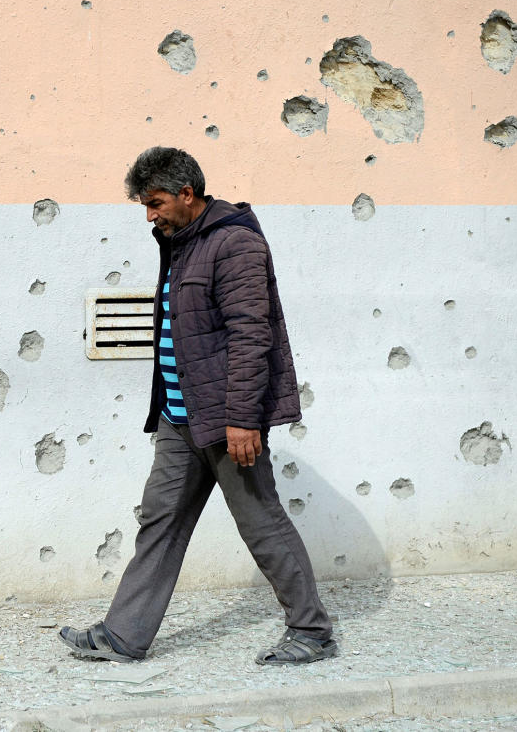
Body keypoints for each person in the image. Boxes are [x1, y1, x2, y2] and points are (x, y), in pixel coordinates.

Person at [59, 146, 336, 665]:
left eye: (156, 202)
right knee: (159, 520)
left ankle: (312, 632)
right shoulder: (181, 240)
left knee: (261, 521)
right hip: (178, 417)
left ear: (188, 194)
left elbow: (251, 336)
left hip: (225, 420)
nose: (149, 214)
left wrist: (242, 419)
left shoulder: (234, 244)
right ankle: (123, 635)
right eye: (145, 204)